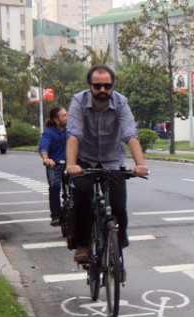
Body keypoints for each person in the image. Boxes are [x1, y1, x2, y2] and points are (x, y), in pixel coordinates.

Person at [65, 65, 149, 268]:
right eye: (97, 86)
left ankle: (117, 252)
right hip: (85, 161)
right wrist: (71, 164)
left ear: (112, 87)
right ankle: (83, 245)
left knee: (119, 206)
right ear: (90, 86)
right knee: (83, 197)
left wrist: (140, 165)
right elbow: (73, 134)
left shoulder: (121, 102)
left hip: (112, 160)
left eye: (107, 86)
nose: (102, 90)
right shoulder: (78, 101)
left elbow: (130, 134)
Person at [39, 107, 69, 227]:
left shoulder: (71, 130)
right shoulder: (49, 132)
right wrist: (46, 159)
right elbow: (44, 147)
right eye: (64, 115)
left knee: (76, 187)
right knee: (54, 187)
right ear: (57, 120)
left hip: (70, 165)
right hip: (55, 165)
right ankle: (56, 216)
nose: (68, 117)